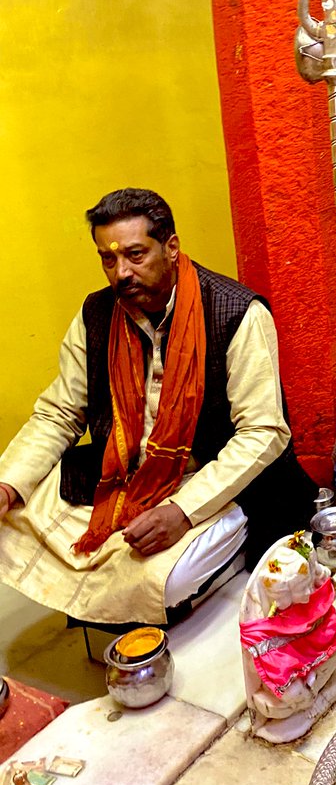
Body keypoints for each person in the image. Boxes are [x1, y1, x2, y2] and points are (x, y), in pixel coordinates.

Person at [0, 189, 317, 625]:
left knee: (162, 578)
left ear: (171, 247)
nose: (121, 273)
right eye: (108, 260)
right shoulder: (97, 314)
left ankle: (177, 585)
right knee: (9, 519)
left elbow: (263, 433)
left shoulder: (237, 312)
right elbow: (59, 413)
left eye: (135, 254)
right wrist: (8, 484)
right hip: (125, 476)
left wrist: (181, 512)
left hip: (211, 482)